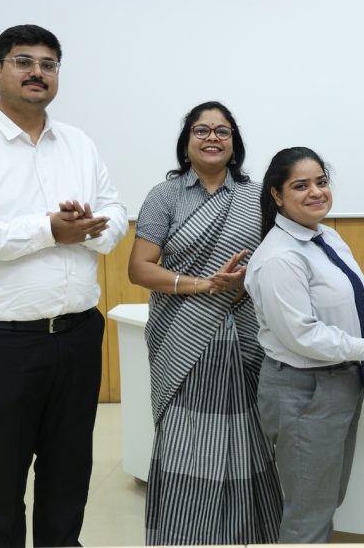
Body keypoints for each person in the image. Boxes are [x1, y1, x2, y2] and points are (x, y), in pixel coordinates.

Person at [0, 24, 128, 548]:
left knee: (69, 471)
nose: (37, 72)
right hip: (2, 342)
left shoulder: (78, 143)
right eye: (23, 61)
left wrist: (92, 229)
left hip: (78, 335)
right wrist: (47, 230)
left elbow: (114, 209)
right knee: (3, 475)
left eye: (48, 64)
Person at [127, 101, 281, 545]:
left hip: (245, 335)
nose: (212, 137)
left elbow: (278, 261)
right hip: (181, 336)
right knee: (185, 438)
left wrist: (243, 282)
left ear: (234, 142)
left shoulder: (258, 197)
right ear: (187, 141)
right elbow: (139, 269)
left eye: (222, 131)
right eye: (202, 130)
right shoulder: (165, 196)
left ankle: (248, 534)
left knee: (245, 434)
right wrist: (203, 286)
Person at [244, 146, 364, 543]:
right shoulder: (279, 258)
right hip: (304, 390)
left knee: (325, 498)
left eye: (321, 182)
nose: (316, 192)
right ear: (276, 195)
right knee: (308, 512)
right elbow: (302, 335)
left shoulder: (326, 236)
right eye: (301, 186)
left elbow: (336, 304)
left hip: (338, 382)